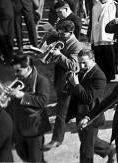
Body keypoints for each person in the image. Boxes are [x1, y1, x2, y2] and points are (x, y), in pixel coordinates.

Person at [66, 48, 111, 163]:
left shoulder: (99, 76)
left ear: (93, 60)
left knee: (86, 149)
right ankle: (110, 150)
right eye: (79, 62)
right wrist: (70, 82)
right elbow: (75, 94)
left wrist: (76, 84)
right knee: (90, 141)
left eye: (84, 62)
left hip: (91, 116)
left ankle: (109, 150)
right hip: (80, 114)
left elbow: (88, 98)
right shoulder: (83, 71)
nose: (81, 65)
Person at [43, 19, 82, 150]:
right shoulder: (61, 38)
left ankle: (56, 139)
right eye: (59, 33)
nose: (60, 36)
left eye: (63, 34)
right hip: (59, 80)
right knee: (69, 109)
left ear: (71, 32)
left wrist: (59, 55)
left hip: (67, 83)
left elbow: (75, 66)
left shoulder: (76, 45)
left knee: (60, 113)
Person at [6, 54, 51, 163]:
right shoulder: (19, 79)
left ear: (28, 68)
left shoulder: (41, 81)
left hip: (34, 128)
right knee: (23, 154)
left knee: (35, 159)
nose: (15, 74)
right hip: (19, 127)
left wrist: (22, 95)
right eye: (15, 71)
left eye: (18, 71)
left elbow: (43, 101)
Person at [90, 0, 117, 81]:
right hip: (97, 35)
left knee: (108, 57)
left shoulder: (113, 5)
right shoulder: (95, 6)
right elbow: (92, 21)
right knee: (99, 57)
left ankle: (110, 76)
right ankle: (101, 75)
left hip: (108, 37)